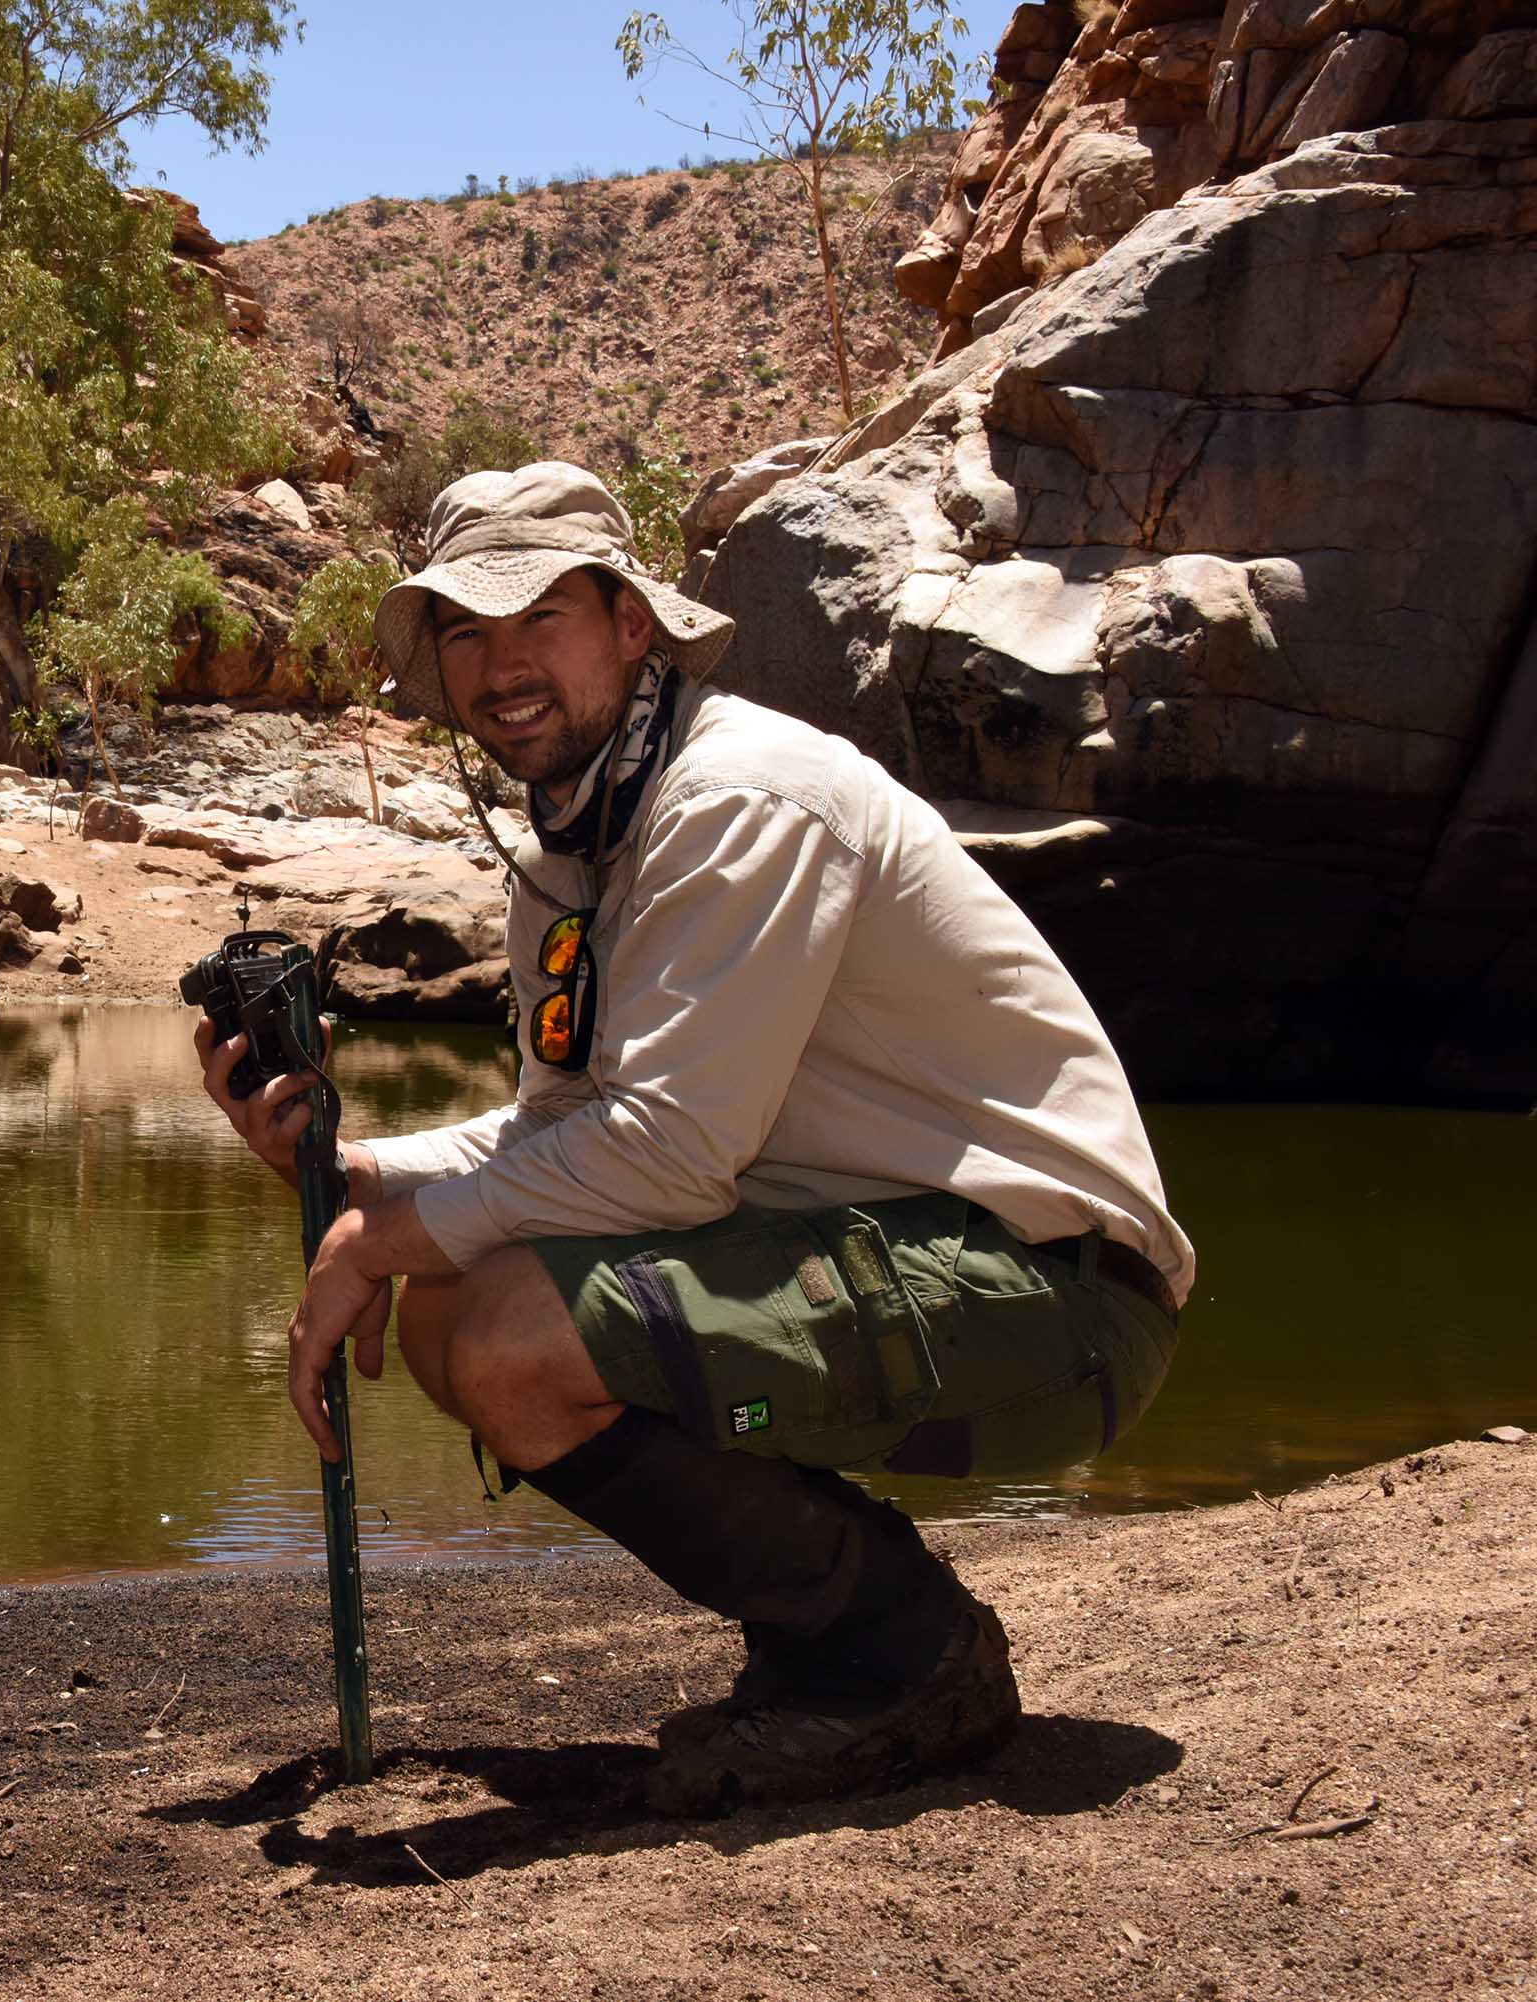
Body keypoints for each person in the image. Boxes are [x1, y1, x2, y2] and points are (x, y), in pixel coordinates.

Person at [195, 463, 1193, 1817]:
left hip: (1057, 1292)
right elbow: (567, 1134)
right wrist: (344, 1171)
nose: (502, 667)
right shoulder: (574, 850)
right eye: (469, 632)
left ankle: (901, 1655)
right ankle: (840, 1634)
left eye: (541, 615)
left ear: (632, 624)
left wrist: (382, 1234)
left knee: (502, 1331)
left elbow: (663, 1156)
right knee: (454, 1310)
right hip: (900, 1257)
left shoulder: (739, 800)